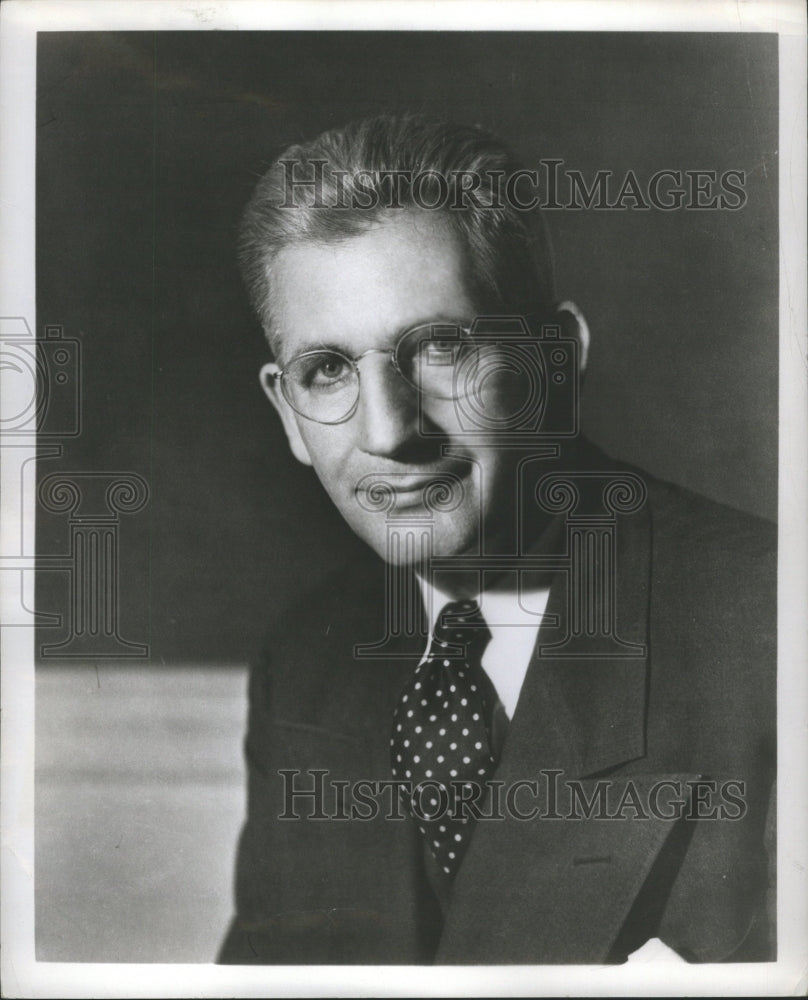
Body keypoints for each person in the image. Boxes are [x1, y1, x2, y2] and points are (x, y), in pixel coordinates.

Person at [218, 114, 775, 965]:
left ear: (555, 362)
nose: (389, 432)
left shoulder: (772, 631)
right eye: (327, 370)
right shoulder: (307, 667)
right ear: (286, 413)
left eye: (441, 346)